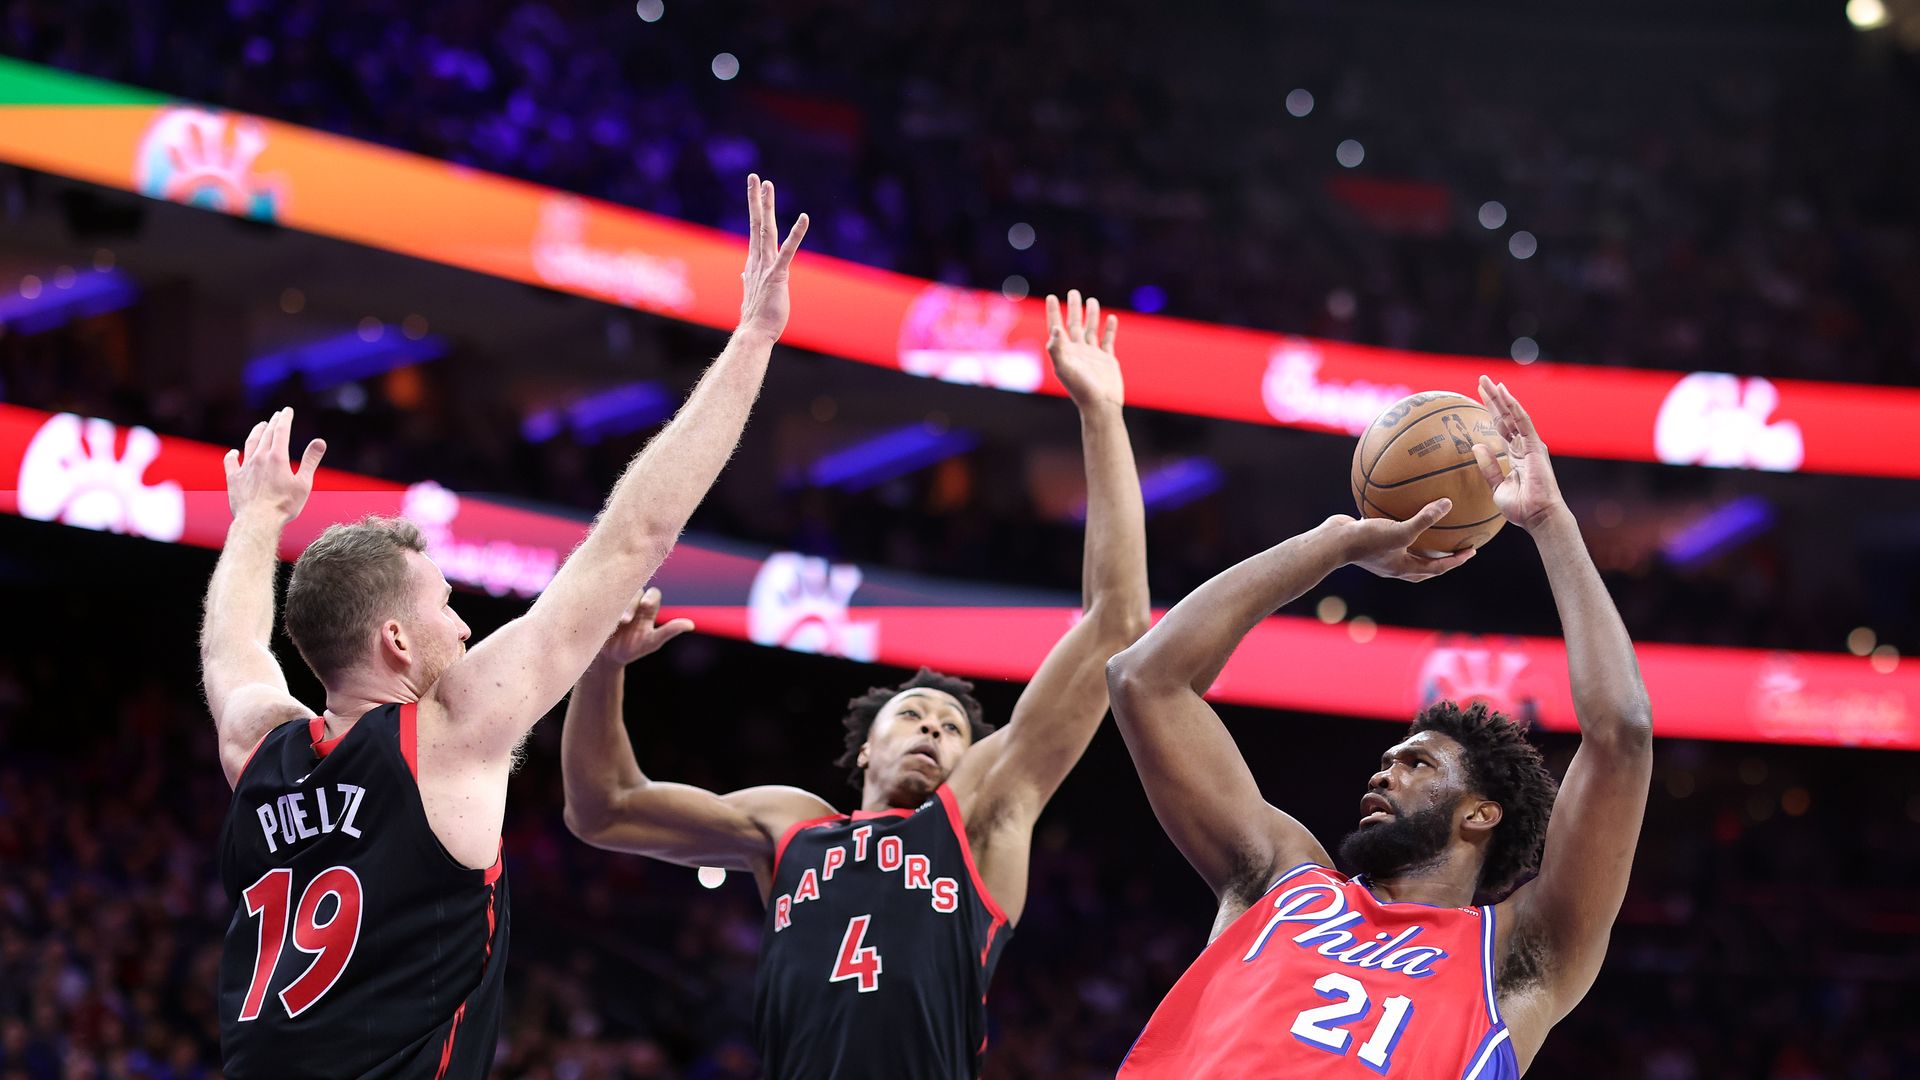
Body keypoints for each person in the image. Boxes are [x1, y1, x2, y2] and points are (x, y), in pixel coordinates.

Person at [200, 176, 808, 1079]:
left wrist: (257, 520)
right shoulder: (445, 733)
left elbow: (232, 650)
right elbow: (630, 540)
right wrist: (754, 338)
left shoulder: (262, 747)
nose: (463, 621)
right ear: (396, 645)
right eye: (444, 605)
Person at [560, 291, 1151, 1080]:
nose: (936, 730)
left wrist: (1101, 414)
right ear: (865, 747)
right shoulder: (791, 827)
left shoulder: (979, 813)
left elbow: (1116, 621)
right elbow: (603, 807)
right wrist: (601, 670)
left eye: (953, 728)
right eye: (915, 715)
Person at [1108, 376, 1652, 1078]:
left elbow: (1621, 734)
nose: (1382, 771)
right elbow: (1144, 681)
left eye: (1418, 764)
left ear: (1482, 812)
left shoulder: (1515, 959)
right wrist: (1330, 546)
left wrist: (1550, 521)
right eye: (1391, 759)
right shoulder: (1284, 882)